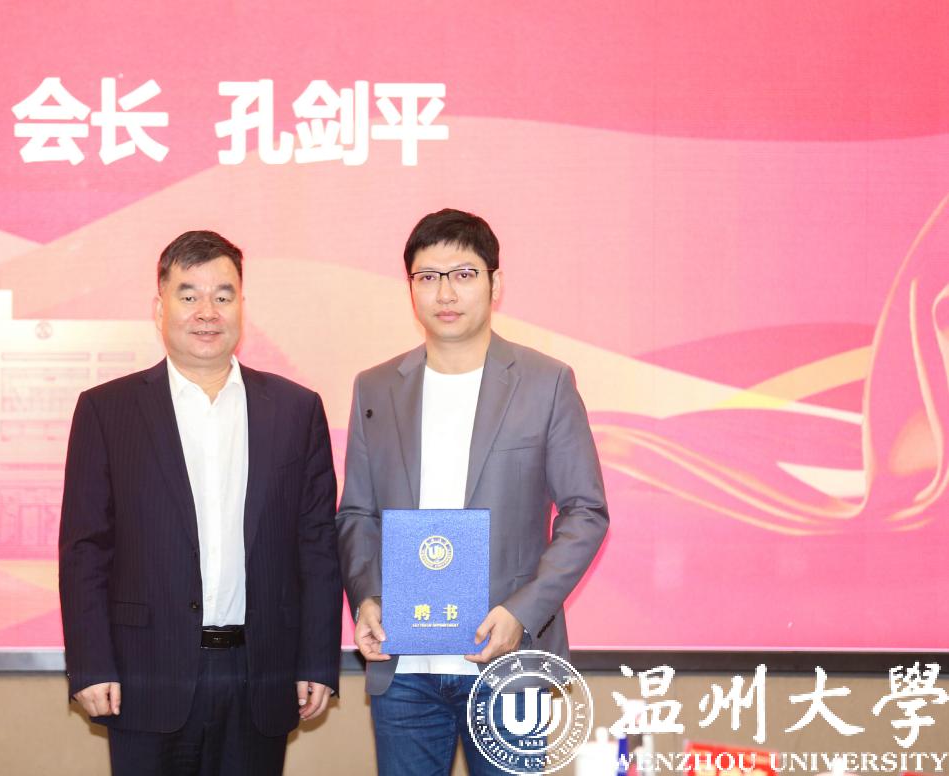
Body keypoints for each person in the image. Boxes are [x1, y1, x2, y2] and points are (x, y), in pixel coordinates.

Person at [336, 209, 609, 774]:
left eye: (463, 274)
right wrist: (366, 598)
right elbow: (357, 513)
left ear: (495, 283)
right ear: (410, 287)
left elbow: (585, 512)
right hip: (403, 668)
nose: (445, 293)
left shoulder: (546, 382)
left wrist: (522, 612)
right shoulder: (376, 387)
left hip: (508, 660)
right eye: (428, 277)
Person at [59, 230, 342, 776]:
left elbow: (317, 545)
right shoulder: (106, 410)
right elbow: (84, 549)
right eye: (188, 295)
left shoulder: (295, 410)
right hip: (144, 675)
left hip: (261, 673)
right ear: (159, 308)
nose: (206, 312)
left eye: (223, 295)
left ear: (241, 306)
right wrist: (91, 663)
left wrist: (317, 660)